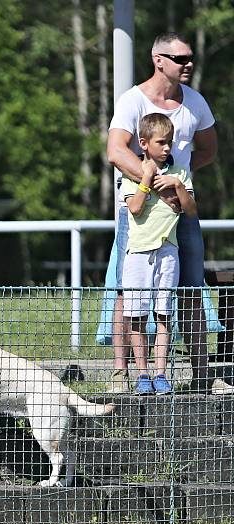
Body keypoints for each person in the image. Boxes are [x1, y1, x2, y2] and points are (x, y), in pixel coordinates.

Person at [105, 31, 232, 395]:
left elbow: (207, 150)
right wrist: (153, 181)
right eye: (180, 58)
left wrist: (180, 184)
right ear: (158, 60)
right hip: (139, 210)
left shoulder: (196, 103)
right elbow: (116, 151)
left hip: (181, 211)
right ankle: (121, 373)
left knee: (191, 288)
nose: (188, 63)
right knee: (126, 291)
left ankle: (202, 373)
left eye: (190, 57)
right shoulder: (132, 100)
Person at [122, 114, 196, 395]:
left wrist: (176, 186)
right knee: (137, 315)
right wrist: (147, 179)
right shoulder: (133, 173)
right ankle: (142, 373)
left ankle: (161, 372)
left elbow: (189, 209)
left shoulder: (179, 173)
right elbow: (136, 208)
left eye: (170, 142)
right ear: (144, 143)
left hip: (168, 251)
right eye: (161, 143)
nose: (167, 148)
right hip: (139, 252)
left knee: (163, 313)